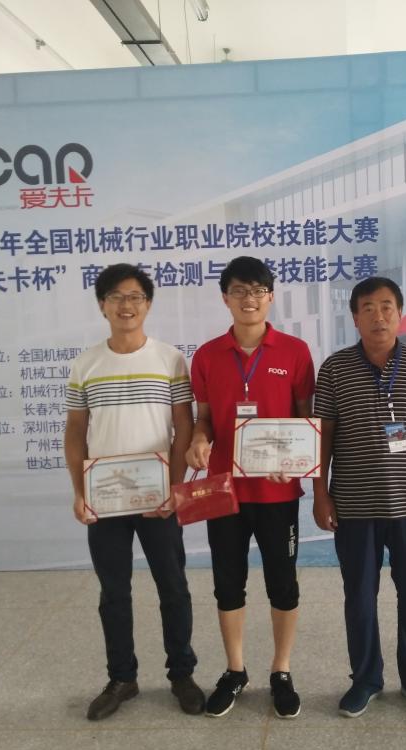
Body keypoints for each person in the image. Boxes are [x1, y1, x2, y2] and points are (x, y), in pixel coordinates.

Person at [64, 263, 204, 721]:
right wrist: (80, 491)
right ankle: (122, 678)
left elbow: (183, 426)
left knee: (173, 587)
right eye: (116, 297)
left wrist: (176, 488)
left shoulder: (169, 360)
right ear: (102, 306)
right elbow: (75, 432)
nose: (127, 305)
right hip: (105, 498)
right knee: (113, 592)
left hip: (158, 496)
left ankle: (182, 673)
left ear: (148, 304)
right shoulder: (86, 364)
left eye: (136, 297)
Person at [313, 276, 406, 719]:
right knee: (359, 595)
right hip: (354, 505)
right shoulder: (334, 369)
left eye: (387, 306)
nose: (379, 316)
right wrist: (320, 492)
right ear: (355, 317)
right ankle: (365, 679)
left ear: (400, 312)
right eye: (368, 308)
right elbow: (322, 434)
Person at [186, 256, 315, 719]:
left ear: (270, 296)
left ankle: (281, 670)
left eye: (258, 290)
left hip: (278, 493)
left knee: (283, 583)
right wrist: (199, 441)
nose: (249, 299)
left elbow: (305, 418)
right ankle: (235, 669)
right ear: (225, 297)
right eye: (239, 290)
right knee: (228, 583)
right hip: (225, 490)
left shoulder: (295, 351)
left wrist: (296, 458)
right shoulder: (206, 356)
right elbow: (203, 419)